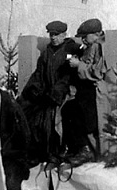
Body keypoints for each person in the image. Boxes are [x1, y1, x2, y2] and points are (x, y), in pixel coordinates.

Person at [18, 20, 79, 163]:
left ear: (64, 35)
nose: (53, 37)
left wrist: (55, 93)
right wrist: (32, 90)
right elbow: (38, 74)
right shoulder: (47, 52)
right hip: (46, 92)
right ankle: (35, 152)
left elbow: (67, 76)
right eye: (51, 34)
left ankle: (53, 152)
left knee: (49, 118)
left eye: (57, 35)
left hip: (63, 93)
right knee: (28, 111)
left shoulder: (70, 50)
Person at [63, 18, 113, 165]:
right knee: (68, 110)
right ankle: (77, 149)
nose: (83, 39)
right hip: (86, 89)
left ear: (97, 34)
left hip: (96, 91)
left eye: (86, 36)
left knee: (81, 116)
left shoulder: (101, 46)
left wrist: (79, 65)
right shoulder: (90, 46)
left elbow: (98, 72)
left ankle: (86, 151)